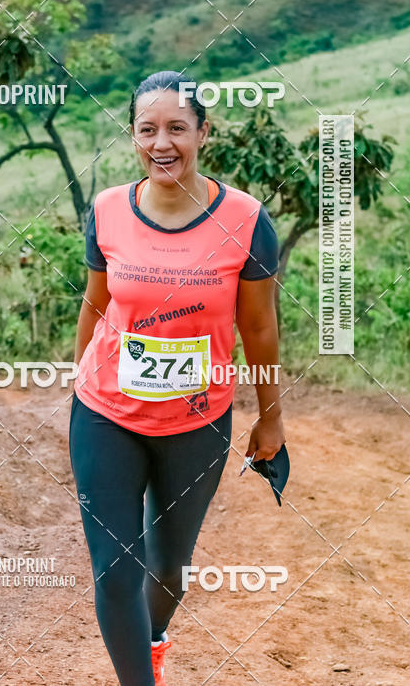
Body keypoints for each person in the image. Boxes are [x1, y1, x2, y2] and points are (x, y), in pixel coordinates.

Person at [69, 70, 286, 685]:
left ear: (202, 133)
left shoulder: (244, 219)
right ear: (132, 136)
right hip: (106, 413)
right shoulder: (108, 210)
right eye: (146, 129)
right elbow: (95, 303)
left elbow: (261, 331)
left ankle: (155, 637)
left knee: (167, 567)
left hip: (197, 420)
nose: (161, 143)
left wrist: (271, 418)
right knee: (116, 571)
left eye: (176, 128)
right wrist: (78, 381)